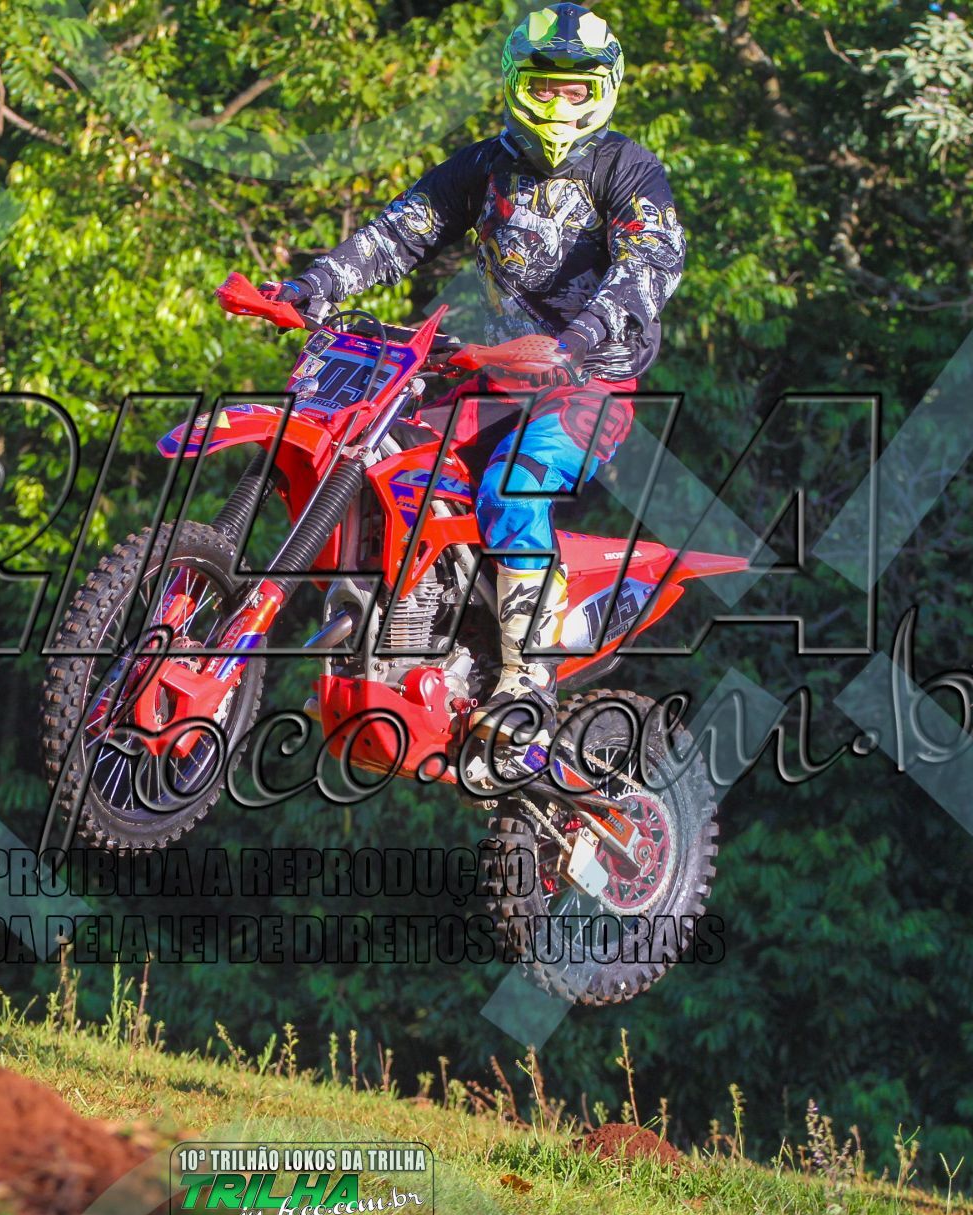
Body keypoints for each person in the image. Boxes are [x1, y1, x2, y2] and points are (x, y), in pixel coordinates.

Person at [258, 2, 687, 738]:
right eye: (545, 85)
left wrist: (580, 338)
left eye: (576, 88)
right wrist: (312, 286)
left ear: (603, 90)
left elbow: (652, 264)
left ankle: (528, 680)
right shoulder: (484, 167)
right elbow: (398, 232)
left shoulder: (628, 169)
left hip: (588, 385)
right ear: (517, 83)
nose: (560, 101)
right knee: (379, 458)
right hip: (492, 379)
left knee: (510, 487)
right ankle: (401, 639)